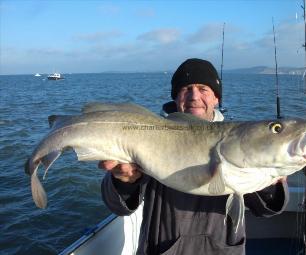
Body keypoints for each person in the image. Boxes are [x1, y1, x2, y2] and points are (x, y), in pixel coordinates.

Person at [100, 58, 288, 255]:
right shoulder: (149, 135)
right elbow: (119, 207)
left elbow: (266, 209)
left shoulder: (241, 139)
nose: (194, 96)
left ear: (216, 98)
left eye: (203, 89)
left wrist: (269, 184)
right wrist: (123, 181)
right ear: (175, 97)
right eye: (186, 88)